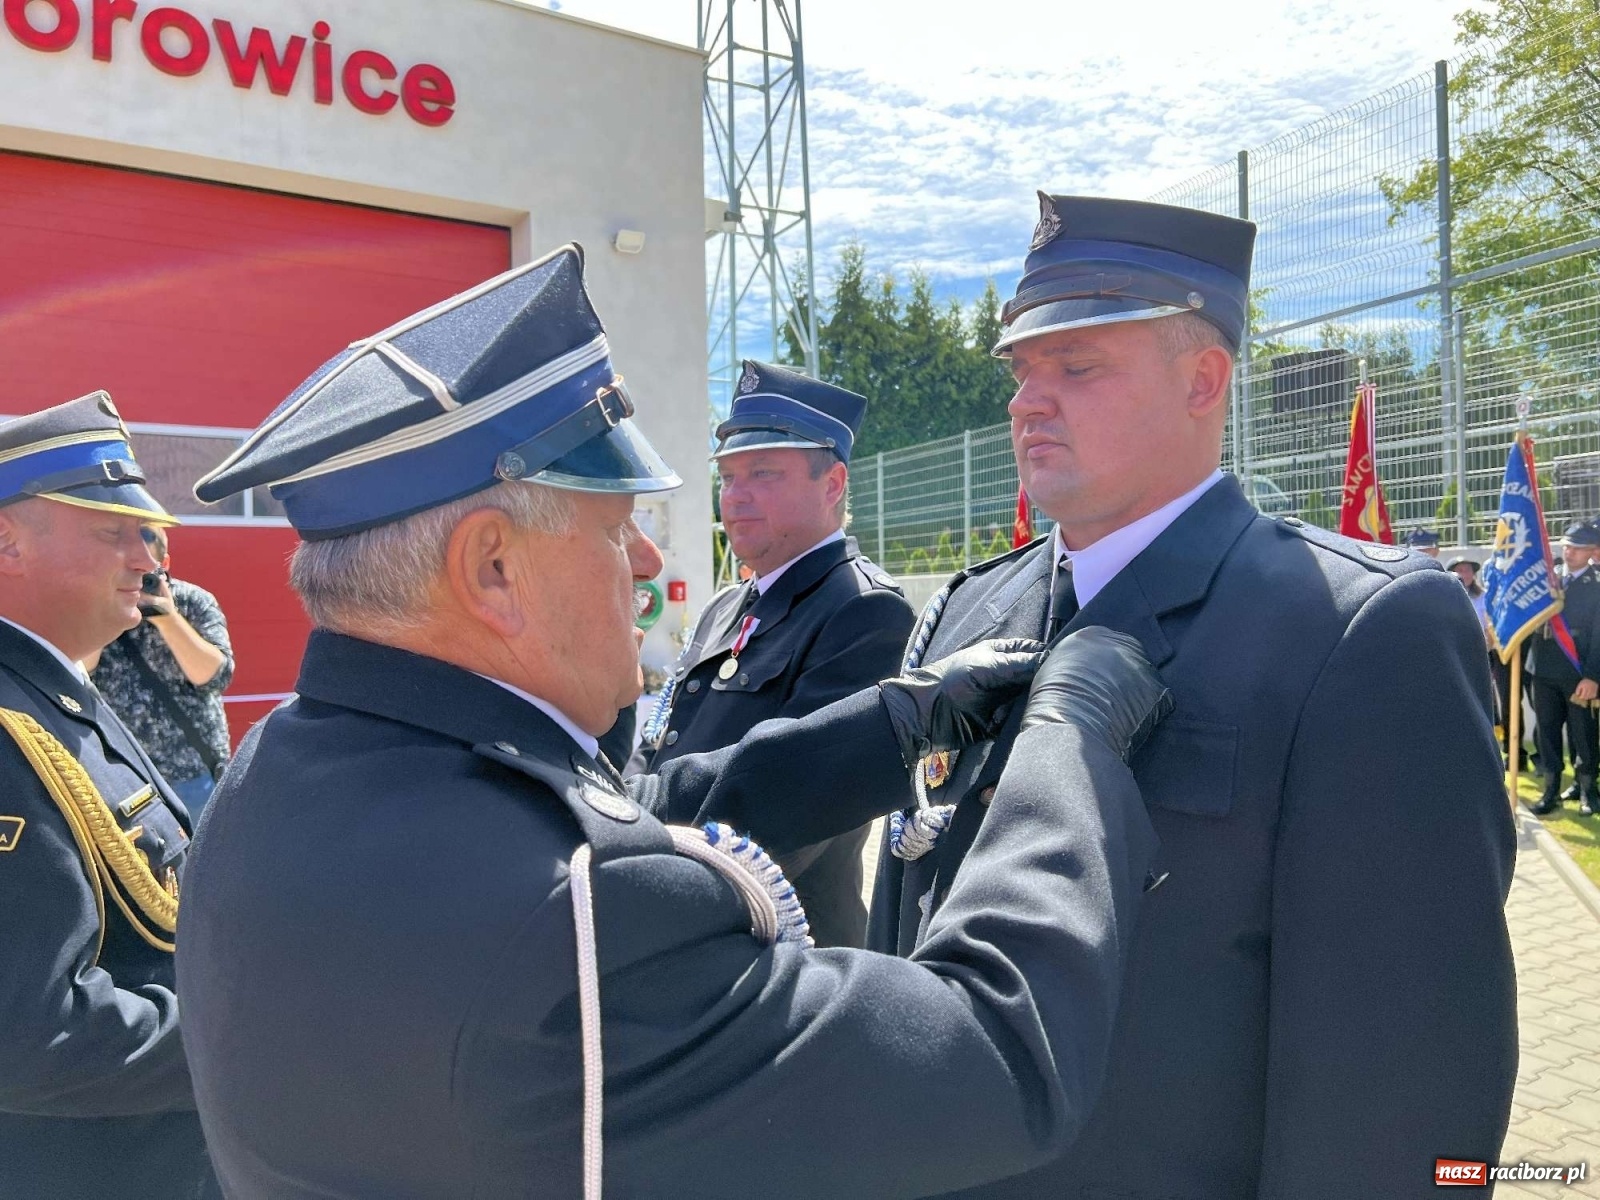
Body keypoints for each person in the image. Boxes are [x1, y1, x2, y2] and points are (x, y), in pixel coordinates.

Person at [175, 246, 1171, 1199]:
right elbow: (993, 1058)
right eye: (616, 531)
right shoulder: (581, 919)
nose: (649, 568)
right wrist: (1067, 745)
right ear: (490, 569)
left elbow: (633, 804)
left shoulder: (282, 768)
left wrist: (906, 721)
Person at [867, 193, 1517, 1198]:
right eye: (1021, 370)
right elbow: (905, 918)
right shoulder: (968, 611)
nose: (1026, 401)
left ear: (1202, 380)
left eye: (1076, 367)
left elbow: (1410, 1069)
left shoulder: (1356, 633)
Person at [0, 392, 216, 1197]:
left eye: (147, 533)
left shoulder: (54, 686)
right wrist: (239, 1029)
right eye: (111, 533)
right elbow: (30, 1031)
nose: (150, 559)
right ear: (5, 541)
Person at [628, 359, 915, 946]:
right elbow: (658, 743)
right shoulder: (726, 606)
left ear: (832, 484)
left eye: (762, 474)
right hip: (679, 919)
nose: (735, 497)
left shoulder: (864, 612)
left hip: (774, 949)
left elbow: (792, 808)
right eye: (729, 478)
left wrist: (638, 867)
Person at [87, 522, 234, 821]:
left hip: (194, 775)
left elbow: (216, 677)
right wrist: (108, 614)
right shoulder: (97, 605)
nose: (138, 579)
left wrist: (169, 619)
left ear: (164, 564)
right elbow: (83, 671)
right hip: (121, 775)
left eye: (147, 572)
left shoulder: (193, 602)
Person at [1527, 521, 1600, 816]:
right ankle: (1551, 790)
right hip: (1543, 669)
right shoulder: (1548, 579)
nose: (1569, 553)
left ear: (1592, 552)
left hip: (1578, 672)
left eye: (1577, 548)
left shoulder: (1596, 586)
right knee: (1547, 732)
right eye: (1567, 546)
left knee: (1583, 733)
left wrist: (1594, 676)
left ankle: (1587, 790)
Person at [1451, 554, 1512, 760]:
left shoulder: (1484, 598)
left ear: (1474, 574)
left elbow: (1491, 628)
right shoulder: (1446, 598)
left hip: (1483, 657)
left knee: (1489, 702)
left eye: (1466, 570)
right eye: (1458, 570)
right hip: (1456, 657)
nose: (1462, 574)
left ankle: (1494, 746)